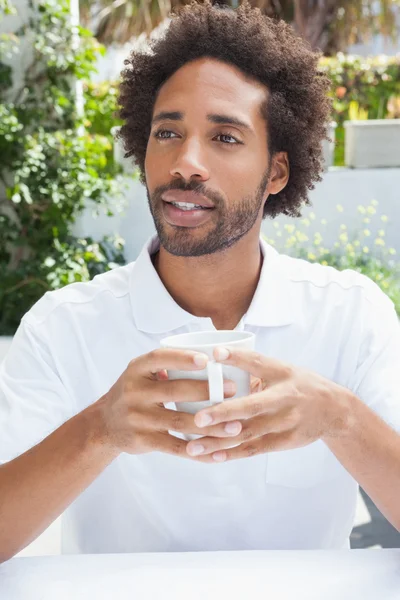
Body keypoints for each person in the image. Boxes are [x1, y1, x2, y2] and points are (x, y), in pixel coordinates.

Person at [0, 0, 399, 562]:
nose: (185, 163)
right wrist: (99, 430)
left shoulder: (350, 316)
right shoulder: (63, 326)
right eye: (167, 133)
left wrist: (340, 418)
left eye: (226, 138)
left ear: (277, 171)